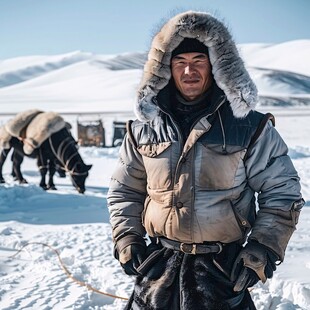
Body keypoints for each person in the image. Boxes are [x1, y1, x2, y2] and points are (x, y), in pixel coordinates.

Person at [107, 10, 304, 310]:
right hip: (159, 265)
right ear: (164, 69)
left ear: (217, 67)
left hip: (223, 269)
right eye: (180, 63)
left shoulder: (250, 127)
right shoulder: (143, 130)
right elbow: (124, 191)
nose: (190, 71)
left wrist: (262, 248)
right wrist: (127, 239)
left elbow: (282, 193)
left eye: (199, 61)